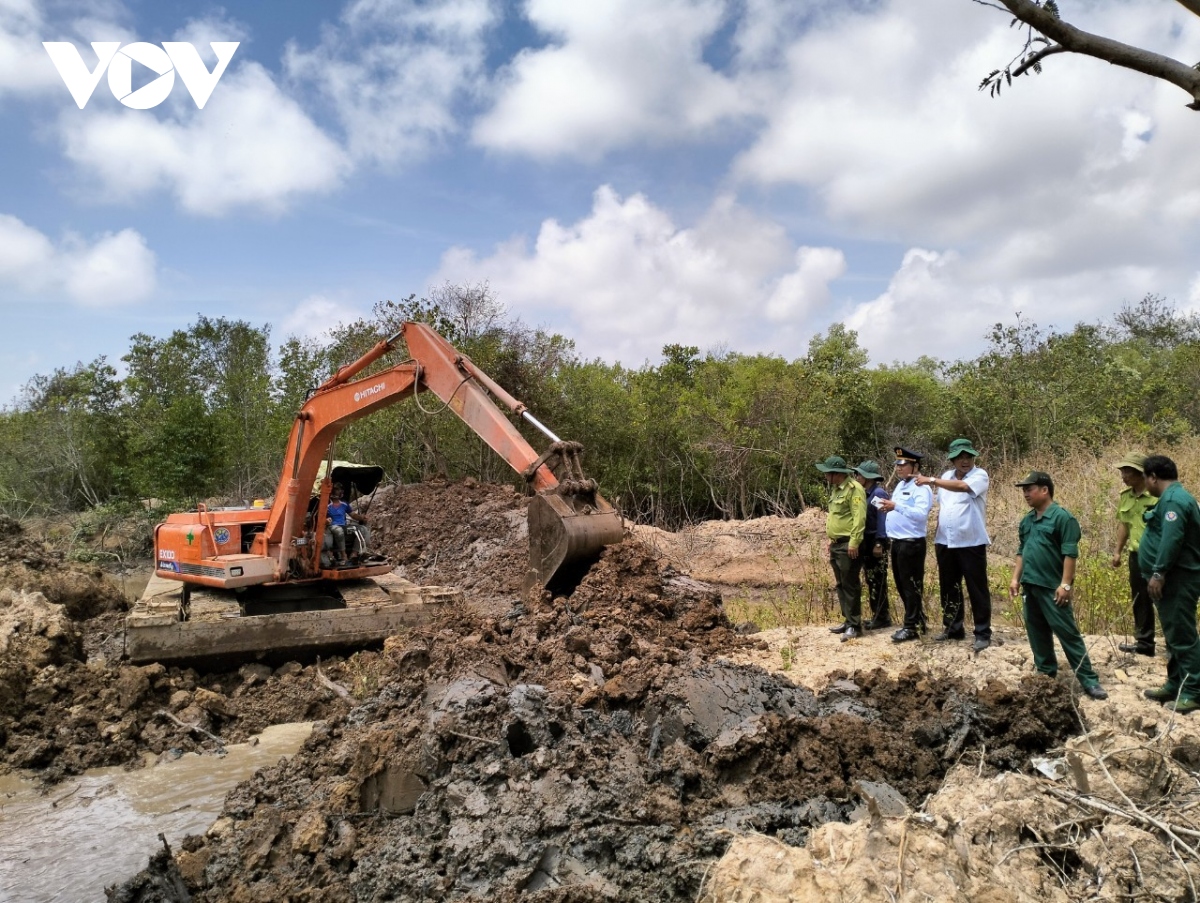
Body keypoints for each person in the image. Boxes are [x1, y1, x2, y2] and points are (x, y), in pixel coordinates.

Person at [1009, 471, 1108, 700]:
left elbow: (1070, 554)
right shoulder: (1027, 520)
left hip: (1051, 587)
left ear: (1045, 490)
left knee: (1068, 634)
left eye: (1030, 488)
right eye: (1024, 490)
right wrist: (1015, 578)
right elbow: (1022, 551)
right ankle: (1045, 676)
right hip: (1030, 586)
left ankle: (1089, 680)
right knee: (1037, 634)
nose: (1026, 493)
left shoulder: (1063, 518)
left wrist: (1066, 584)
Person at [916, 438, 992, 652]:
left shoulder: (980, 475)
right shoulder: (947, 476)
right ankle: (953, 628)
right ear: (952, 460)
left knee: (976, 588)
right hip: (945, 540)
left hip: (971, 541)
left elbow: (963, 487)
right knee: (949, 586)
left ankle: (983, 632)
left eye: (968, 456)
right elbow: (944, 505)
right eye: (960, 457)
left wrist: (931, 479)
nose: (965, 461)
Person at [1138, 455, 1200, 714]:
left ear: (1153, 477)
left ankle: (1194, 690)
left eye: (1145, 477)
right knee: (1174, 636)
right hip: (1173, 580)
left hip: (1178, 579)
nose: (1145, 483)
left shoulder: (1174, 500)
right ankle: (1175, 682)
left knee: (1183, 637)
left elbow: (1171, 540)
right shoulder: (1171, 498)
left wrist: (1159, 572)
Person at [879, 447, 933, 643]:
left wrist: (897, 507)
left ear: (915, 466)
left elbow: (920, 514)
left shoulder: (922, 488)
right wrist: (888, 507)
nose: (899, 468)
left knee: (911, 586)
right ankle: (917, 619)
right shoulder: (901, 486)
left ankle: (911, 627)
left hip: (911, 543)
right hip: (898, 541)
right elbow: (900, 509)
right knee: (902, 585)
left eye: (903, 465)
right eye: (898, 465)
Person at [1110, 453, 1158, 656]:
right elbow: (1125, 524)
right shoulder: (1126, 497)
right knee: (1140, 599)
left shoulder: (1158, 496)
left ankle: (1177, 646)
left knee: (1164, 599)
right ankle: (1145, 644)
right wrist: (1118, 551)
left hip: (1158, 556)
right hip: (1136, 555)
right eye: (1122, 471)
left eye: (1128, 471)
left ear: (1141, 473)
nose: (1124, 475)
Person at [817, 455, 866, 641]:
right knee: (840, 584)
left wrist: (854, 542)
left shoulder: (855, 489)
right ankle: (847, 620)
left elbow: (859, 517)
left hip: (848, 544)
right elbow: (837, 517)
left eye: (827, 473)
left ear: (836, 474)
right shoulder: (836, 489)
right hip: (837, 544)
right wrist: (832, 539)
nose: (825, 477)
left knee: (850, 584)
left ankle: (854, 625)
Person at [854, 461, 891, 629]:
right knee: (871, 580)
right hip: (866, 542)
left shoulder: (877, 493)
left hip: (875, 542)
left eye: (859, 475)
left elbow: (882, 519)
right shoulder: (865, 493)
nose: (857, 477)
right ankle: (877, 615)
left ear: (868, 477)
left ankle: (882, 617)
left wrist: (879, 542)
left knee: (878, 581)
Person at [327, 484, 367, 566]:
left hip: (343, 526)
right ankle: (343, 555)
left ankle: (354, 554)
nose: (337, 491)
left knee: (362, 529)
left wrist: (361, 518)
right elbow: (320, 518)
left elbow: (353, 515)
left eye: (338, 490)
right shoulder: (326, 505)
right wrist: (326, 520)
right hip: (332, 527)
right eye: (335, 490)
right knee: (339, 531)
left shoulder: (344, 504)